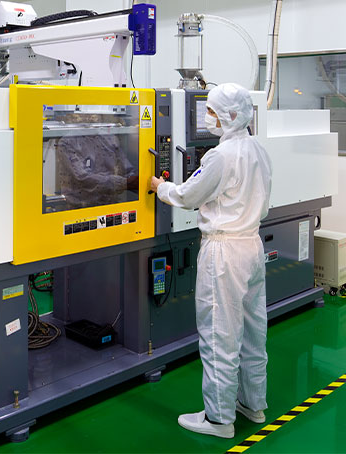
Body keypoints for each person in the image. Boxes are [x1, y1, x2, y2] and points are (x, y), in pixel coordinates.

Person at [150, 83, 273, 439]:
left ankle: (219, 419)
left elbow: (189, 195)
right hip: (251, 246)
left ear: (230, 116)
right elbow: (263, 202)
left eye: (212, 112)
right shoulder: (258, 150)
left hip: (224, 252)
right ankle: (253, 404)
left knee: (219, 333)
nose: (208, 118)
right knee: (253, 331)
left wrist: (159, 186)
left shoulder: (220, 156)